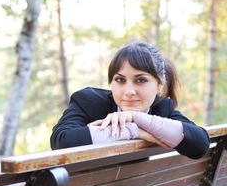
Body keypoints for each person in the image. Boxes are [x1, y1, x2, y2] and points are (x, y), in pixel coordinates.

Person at [50, 41, 209, 159]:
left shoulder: (162, 109)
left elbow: (200, 144)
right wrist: (134, 131)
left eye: (140, 80)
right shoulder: (88, 101)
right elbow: (61, 141)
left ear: (160, 84)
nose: (129, 91)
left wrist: (136, 118)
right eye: (120, 80)